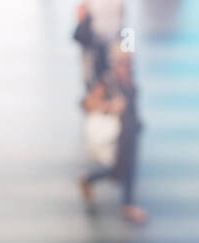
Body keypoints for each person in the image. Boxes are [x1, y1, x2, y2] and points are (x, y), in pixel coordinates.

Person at [77, 50, 146, 224]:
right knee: (123, 170)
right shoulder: (108, 82)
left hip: (130, 131)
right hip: (119, 135)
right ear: (115, 64)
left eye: (130, 63)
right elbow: (86, 103)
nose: (128, 67)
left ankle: (89, 181)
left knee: (122, 171)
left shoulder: (128, 80)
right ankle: (127, 205)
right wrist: (109, 106)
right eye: (123, 63)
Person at [72, 1, 123, 86]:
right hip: (93, 42)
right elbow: (81, 12)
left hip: (111, 41)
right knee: (92, 78)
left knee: (111, 77)